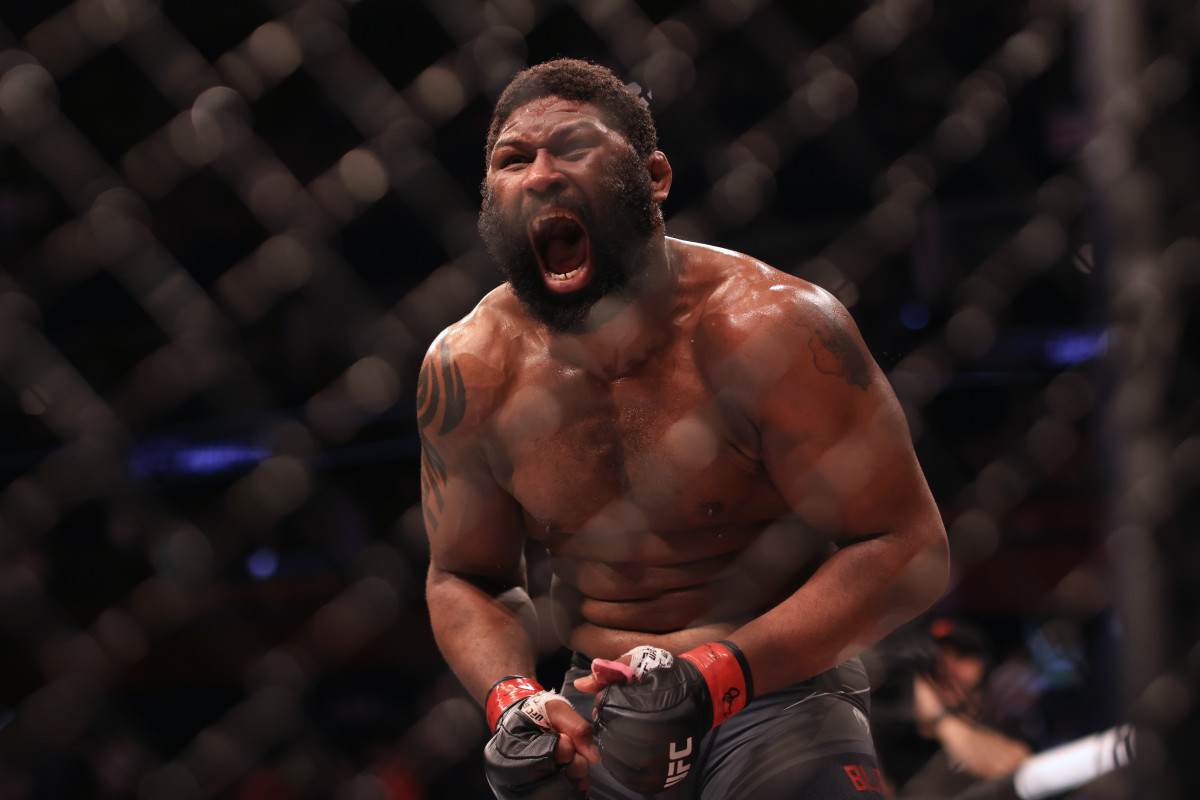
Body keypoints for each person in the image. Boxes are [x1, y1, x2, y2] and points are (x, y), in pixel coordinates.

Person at [419, 58, 950, 800]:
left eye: (572, 147)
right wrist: (512, 696)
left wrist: (719, 675)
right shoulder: (470, 367)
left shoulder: (775, 330)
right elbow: (462, 577)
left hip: (776, 687)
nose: (540, 175)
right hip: (597, 710)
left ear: (655, 176)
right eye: (513, 159)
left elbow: (909, 545)